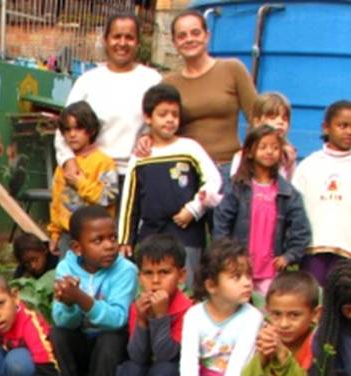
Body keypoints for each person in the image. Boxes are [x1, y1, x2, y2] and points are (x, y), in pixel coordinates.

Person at [118, 83, 222, 290]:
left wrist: (194, 209)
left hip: (186, 233)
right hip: (150, 235)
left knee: (187, 286)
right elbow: (129, 201)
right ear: (148, 118)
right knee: (151, 287)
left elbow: (213, 181)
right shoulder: (140, 156)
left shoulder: (189, 148)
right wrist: (124, 238)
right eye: (162, 114)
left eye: (174, 114)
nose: (169, 120)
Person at [156, 238, 263, 376]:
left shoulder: (252, 317)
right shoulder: (194, 315)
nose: (247, 283)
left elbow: (238, 367)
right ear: (212, 286)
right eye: (236, 277)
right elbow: (188, 361)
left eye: (248, 275)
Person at [54, 13, 161, 183]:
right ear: (106, 40)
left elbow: (164, 125)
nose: (122, 43)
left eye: (129, 37)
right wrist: (68, 160)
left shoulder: (152, 80)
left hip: (137, 175)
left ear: (138, 42)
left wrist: (151, 137)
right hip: (90, 174)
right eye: (116, 37)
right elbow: (63, 128)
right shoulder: (88, 81)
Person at [51, 205, 137, 376]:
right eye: (98, 240)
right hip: (80, 339)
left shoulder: (126, 270)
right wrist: (69, 304)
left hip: (112, 346)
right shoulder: (65, 267)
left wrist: (81, 298)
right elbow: (62, 320)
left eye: (113, 238)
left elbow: (117, 319)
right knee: (58, 335)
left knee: (111, 338)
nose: (109, 246)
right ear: (77, 248)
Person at [213, 125, 311, 296]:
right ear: (250, 152)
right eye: (263, 147)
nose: (269, 152)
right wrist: (227, 257)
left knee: (266, 314)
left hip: (270, 273)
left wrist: (288, 256)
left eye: (275, 147)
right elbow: (221, 223)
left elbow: (301, 230)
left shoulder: (287, 193)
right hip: (238, 269)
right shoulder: (237, 188)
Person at [162, 9, 257, 176]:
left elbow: (257, 117)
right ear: (174, 43)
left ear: (207, 35)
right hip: (187, 171)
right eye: (182, 36)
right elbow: (160, 126)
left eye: (195, 33)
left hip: (228, 168)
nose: (189, 39)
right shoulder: (169, 83)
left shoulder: (233, 69)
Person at [292, 100, 351, 287]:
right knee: (312, 296)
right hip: (313, 248)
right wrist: (293, 245)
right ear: (326, 127)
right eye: (343, 125)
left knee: (340, 300)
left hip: (348, 251)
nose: (349, 132)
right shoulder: (309, 165)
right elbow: (295, 207)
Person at [115, 235, 193, 376]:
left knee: (163, 372)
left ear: (181, 275)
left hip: (173, 374)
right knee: (127, 371)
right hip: (147, 368)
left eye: (164, 272)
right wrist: (141, 319)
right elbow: (137, 356)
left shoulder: (188, 309)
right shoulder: (138, 306)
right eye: (148, 273)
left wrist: (160, 317)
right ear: (139, 276)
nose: (156, 281)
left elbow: (167, 354)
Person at [242, 271, 319, 376]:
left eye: (294, 315)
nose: (283, 324)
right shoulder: (266, 335)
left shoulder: (316, 343)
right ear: (267, 311)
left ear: (315, 315)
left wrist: (283, 355)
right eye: (276, 314)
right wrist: (262, 358)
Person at [48, 101, 119, 257]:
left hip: (97, 236)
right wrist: (54, 233)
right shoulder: (63, 165)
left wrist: (80, 183)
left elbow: (109, 196)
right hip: (68, 235)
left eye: (78, 128)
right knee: (66, 278)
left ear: (91, 130)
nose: (72, 134)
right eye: (67, 130)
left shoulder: (103, 162)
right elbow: (56, 201)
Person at [230, 92, 297, 180]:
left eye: (285, 119)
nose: (280, 122)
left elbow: (290, 184)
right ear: (257, 122)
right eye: (273, 117)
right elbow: (235, 186)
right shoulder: (243, 155)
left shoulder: (287, 156)